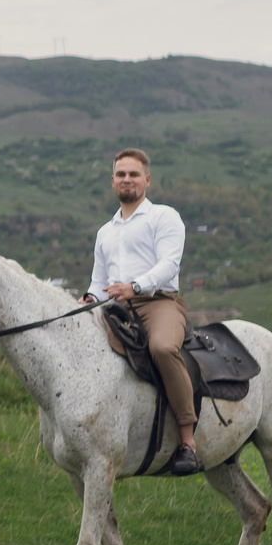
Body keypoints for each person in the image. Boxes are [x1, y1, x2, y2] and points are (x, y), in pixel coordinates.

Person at [82, 148, 200, 474]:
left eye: (134, 174)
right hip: (116, 307)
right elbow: (98, 282)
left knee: (162, 347)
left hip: (158, 301)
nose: (127, 180)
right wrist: (88, 300)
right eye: (121, 174)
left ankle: (187, 441)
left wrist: (134, 286)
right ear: (112, 181)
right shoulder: (105, 232)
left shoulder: (164, 217)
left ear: (147, 180)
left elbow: (168, 265)